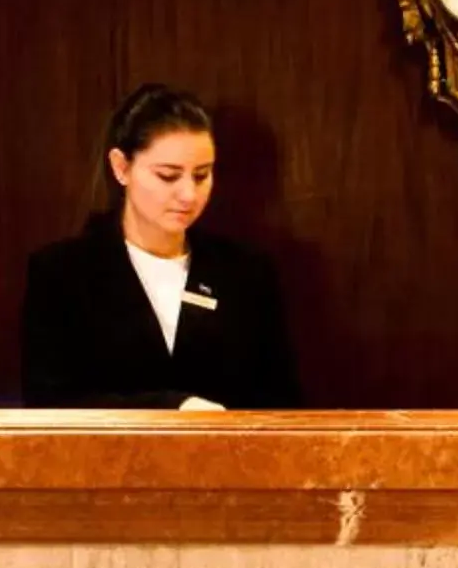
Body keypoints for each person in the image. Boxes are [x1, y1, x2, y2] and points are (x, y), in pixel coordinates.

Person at [20, 83, 302, 408]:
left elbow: (282, 405)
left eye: (201, 175)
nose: (189, 195)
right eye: (168, 176)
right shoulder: (61, 273)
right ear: (121, 167)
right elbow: (51, 404)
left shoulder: (246, 274)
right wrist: (172, 407)